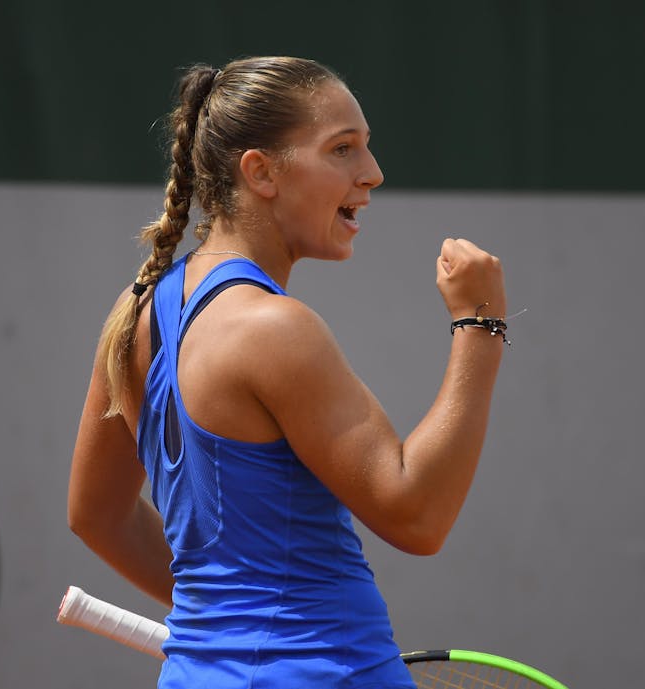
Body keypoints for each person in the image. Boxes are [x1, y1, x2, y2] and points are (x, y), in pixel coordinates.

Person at [67, 56, 507, 689]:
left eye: (366, 147)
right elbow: (418, 516)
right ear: (261, 171)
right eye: (342, 149)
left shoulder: (136, 313)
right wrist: (480, 325)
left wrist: (230, 622)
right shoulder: (273, 329)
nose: (373, 172)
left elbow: (96, 515)